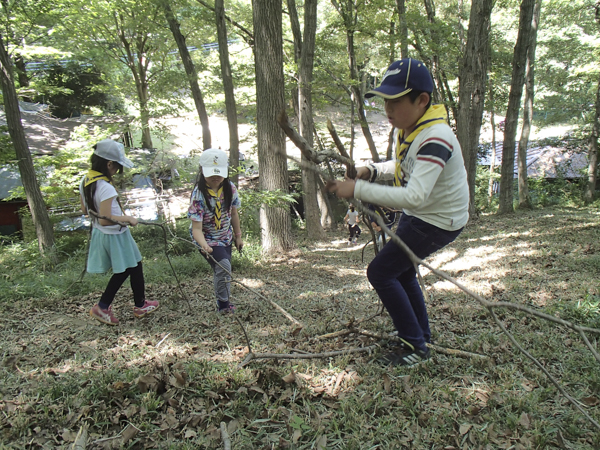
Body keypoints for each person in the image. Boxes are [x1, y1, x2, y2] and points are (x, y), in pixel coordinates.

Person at [327, 58, 469, 366]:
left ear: (422, 100)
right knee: (398, 271)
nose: (387, 110)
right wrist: (371, 171)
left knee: (380, 271)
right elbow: (406, 167)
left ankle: (415, 347)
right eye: (384, 102)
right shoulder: (414, 128)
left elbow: (415, 195)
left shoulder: (435, 137)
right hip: (426, 215)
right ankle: (421, 337)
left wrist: (356, 189)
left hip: (437, 219)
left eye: (395, 101)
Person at [80, 139, 159, 326]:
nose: (117, 171)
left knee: (135, 264)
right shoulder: (105, 187)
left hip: (105, 233)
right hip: (114, 234)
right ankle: (102, 306)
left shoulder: (86, 180)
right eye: (116, 167)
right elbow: (105, 218)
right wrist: (128, 219)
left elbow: (86, 210)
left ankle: (141, 304)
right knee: (124, 270)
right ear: (108, 164)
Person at [188, 148, 243, 314]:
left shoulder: (230, 188)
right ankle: (224, 306)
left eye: (219, 173)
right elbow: (196, 228)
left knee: (223, 270)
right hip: (207, 240)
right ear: (202, 171)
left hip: (225, 238)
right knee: (224, 266)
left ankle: (224, 300)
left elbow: (233, 213)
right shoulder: (198, 195)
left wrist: (238, 236)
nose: (216, 177)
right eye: (211, 173)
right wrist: (204, 245)